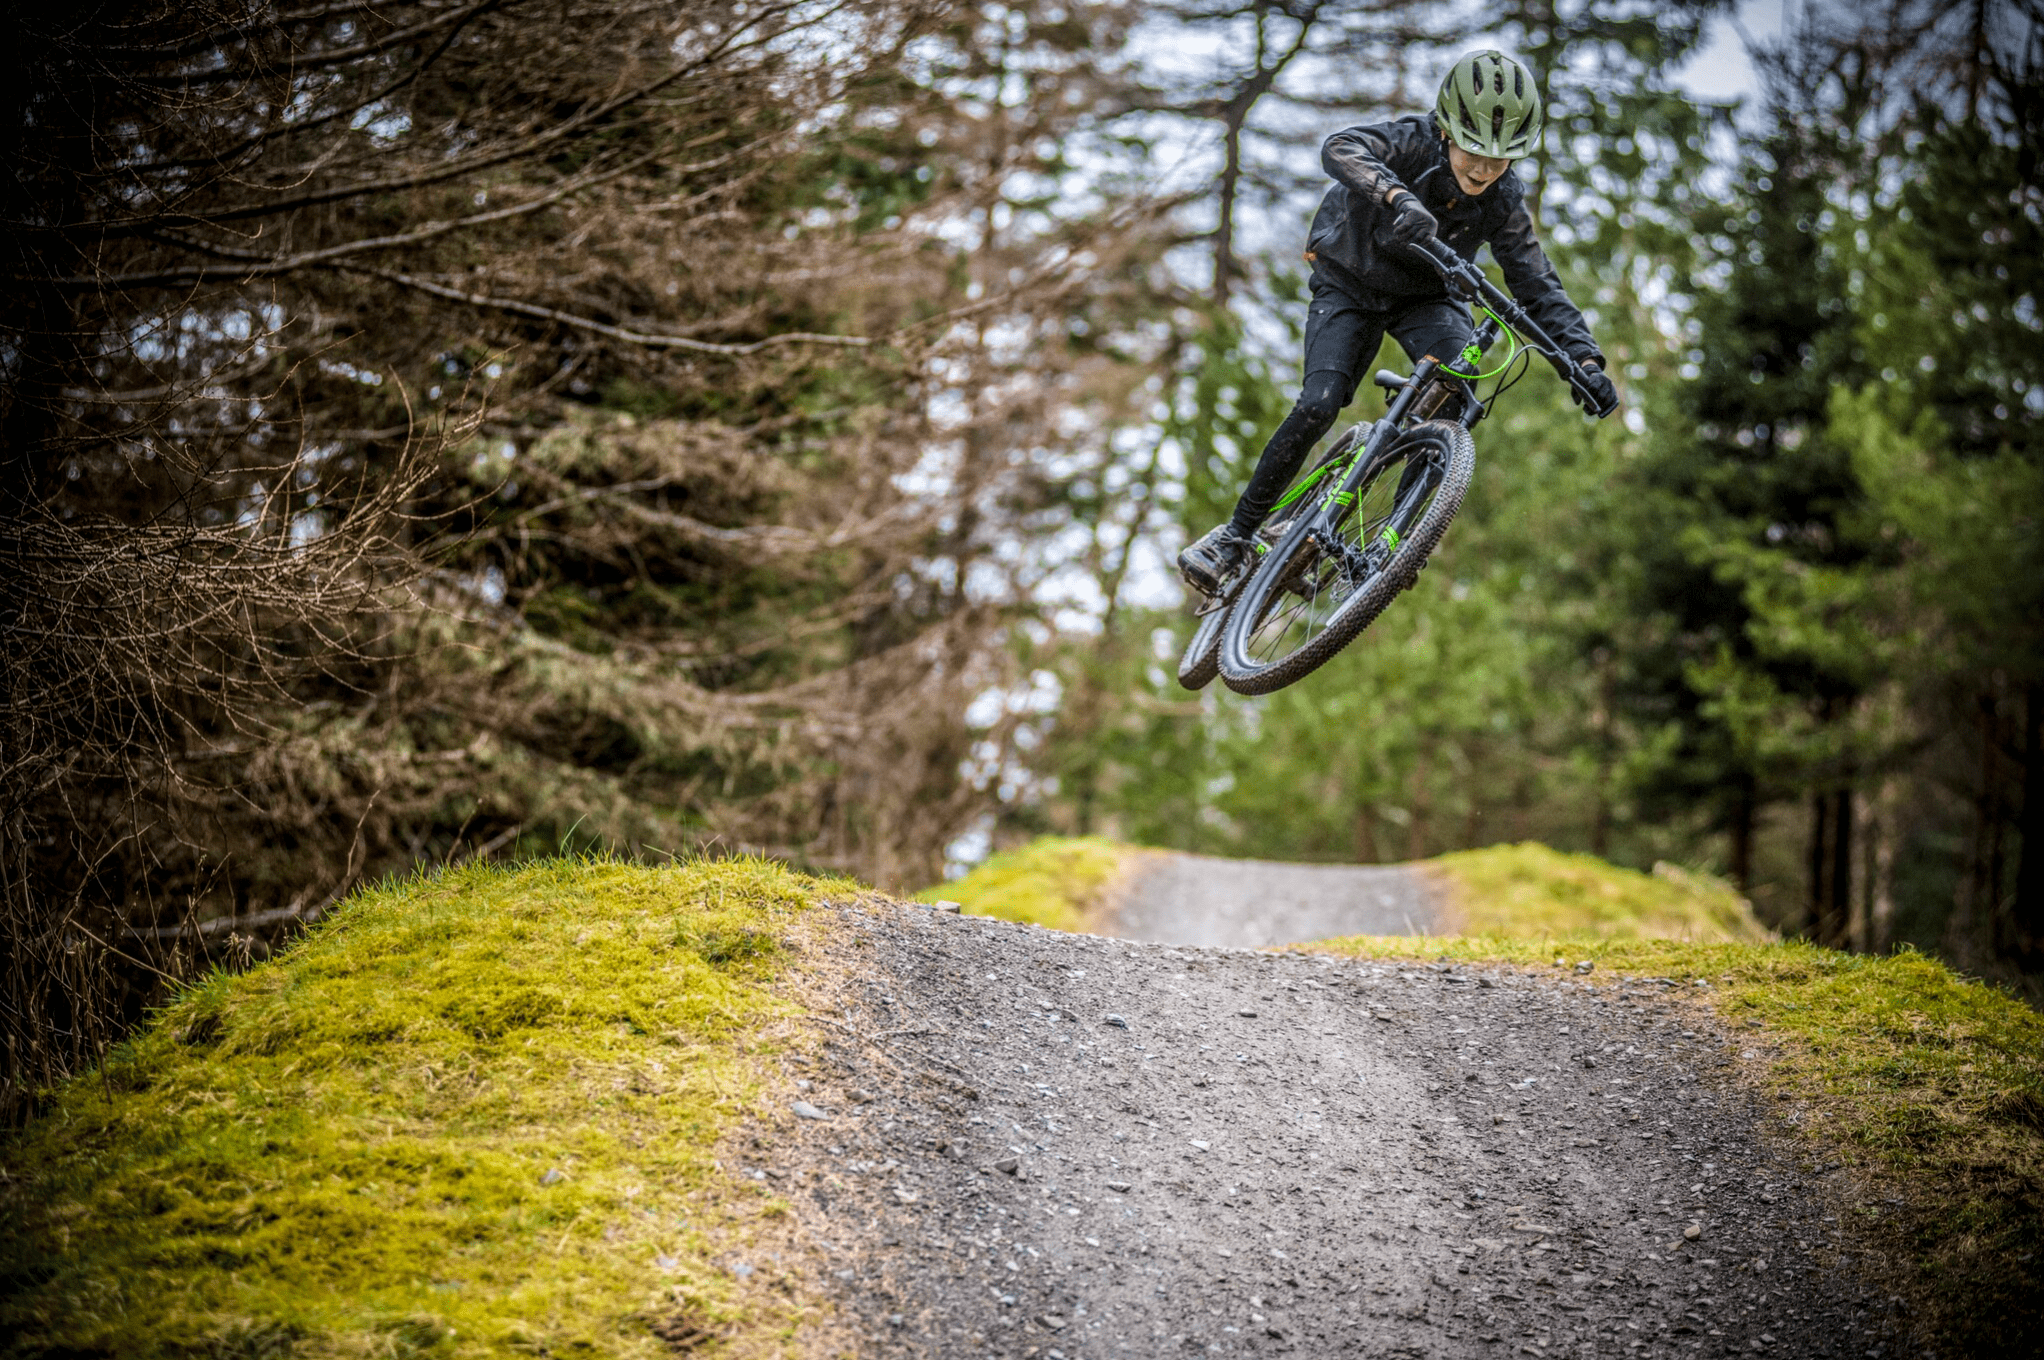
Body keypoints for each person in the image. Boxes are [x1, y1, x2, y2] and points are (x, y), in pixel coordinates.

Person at [1177, 49, 1620, 596]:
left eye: (1500, 159)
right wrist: (1396, 195)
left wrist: (1584, 358)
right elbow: (1341, 146)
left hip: (1426, 296)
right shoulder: (1411, 141)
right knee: (1321, 402)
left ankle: (1389, 541)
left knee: (1459, 388)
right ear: (1447, 129)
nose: (1483, 169)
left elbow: (1536, 282)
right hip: (1350, 278)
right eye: (1473, 151)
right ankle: (1235, 537)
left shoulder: (1503, 200)